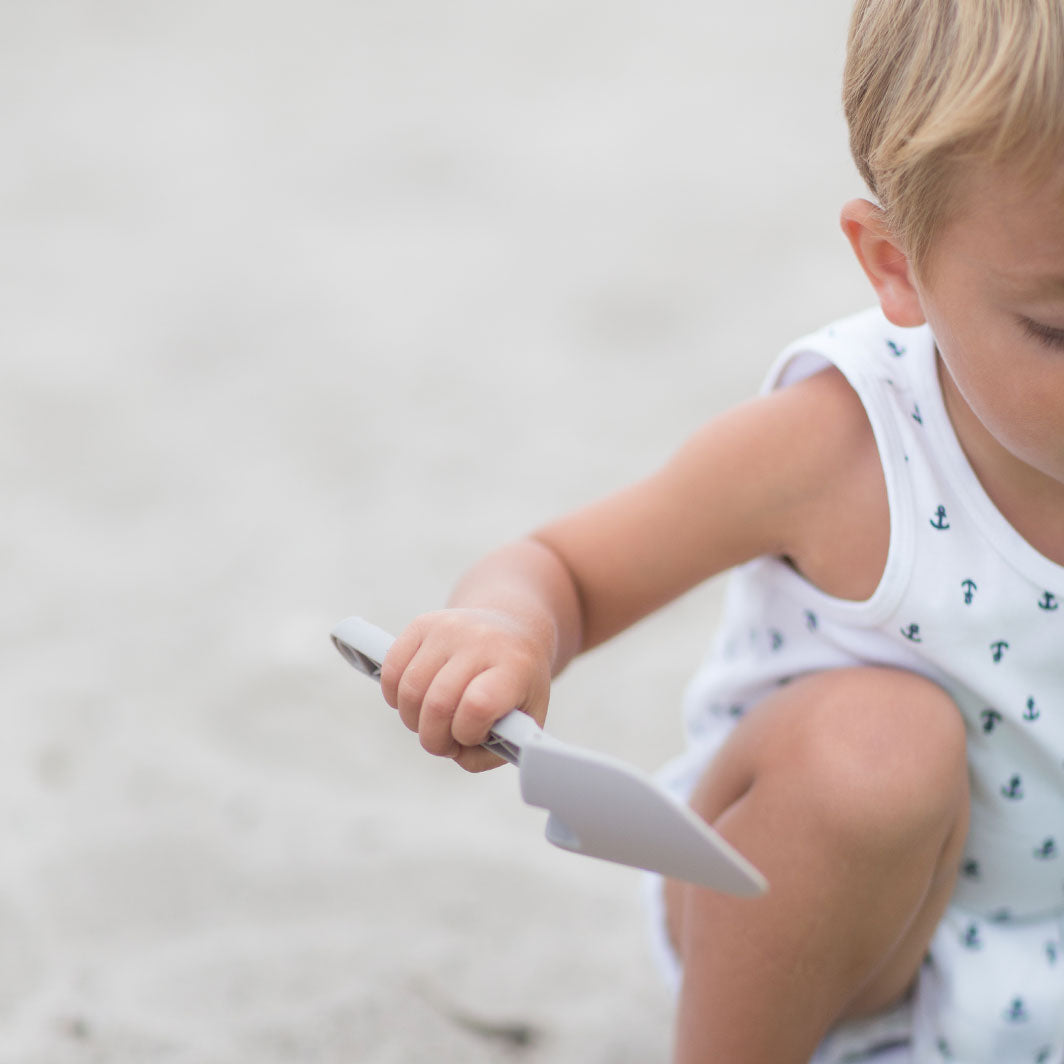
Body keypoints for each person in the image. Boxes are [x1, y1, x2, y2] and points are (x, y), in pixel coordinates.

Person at [377, 0, 1064, 1059]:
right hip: (835, 936)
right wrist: (504, 635)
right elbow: (560, 566)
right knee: (876, 749)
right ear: (895, 265)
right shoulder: (839, 449)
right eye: (1055, 328)